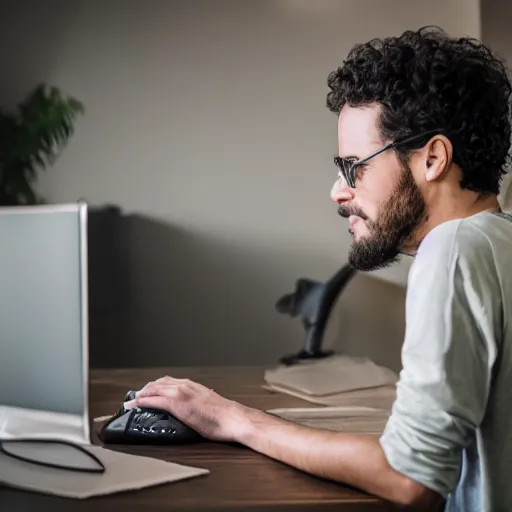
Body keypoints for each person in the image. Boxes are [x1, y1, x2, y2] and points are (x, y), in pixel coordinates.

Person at [125, 27, 512, 511]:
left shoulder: (453, 251)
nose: (338, 190)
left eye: (354, 167)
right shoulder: (499, 241)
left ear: (432, 158)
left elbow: (409, 479)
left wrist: (230, 418)